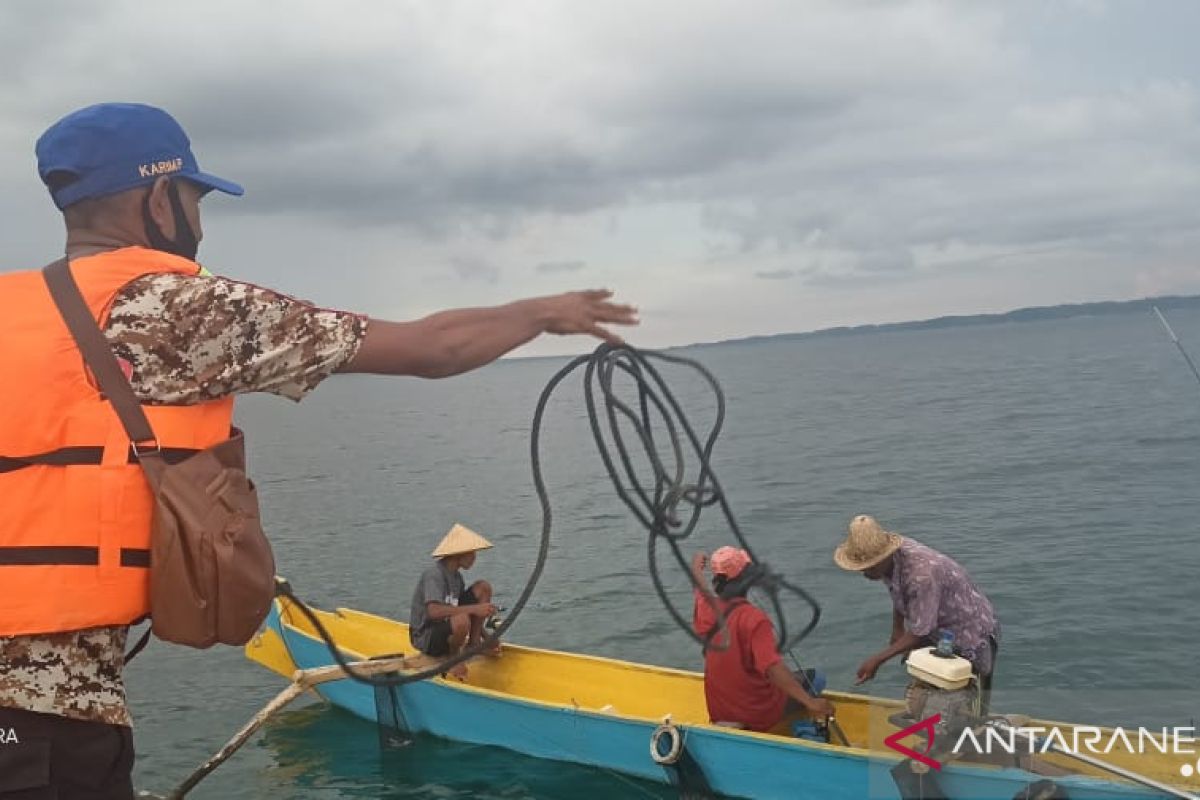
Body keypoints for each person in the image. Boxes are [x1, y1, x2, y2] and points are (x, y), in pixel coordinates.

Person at [0, 102, 638, 800]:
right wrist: (543, 313)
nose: (198, 219)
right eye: (195, 197)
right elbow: (431, 348)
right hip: (44, 715)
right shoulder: (182, 309)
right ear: (159, 199)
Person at [833, 514, 1000, 710]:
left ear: (883, 557)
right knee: (929, 693)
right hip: (938, 626)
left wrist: (878, 659)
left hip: (970, 632)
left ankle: (971, 728)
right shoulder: (893, 559)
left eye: (869, 567)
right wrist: (897, 629)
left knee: (965, 700)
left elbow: (920, 632)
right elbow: (900, 591)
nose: (865, 573)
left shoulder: (922, 575)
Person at [690, 547, 834, 733]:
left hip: (720, 711)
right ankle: (806, 727)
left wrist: (695, 568)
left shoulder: (706, 609)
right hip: (757, 713)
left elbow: (700, 588)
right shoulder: (754, 619)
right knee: (817, 678)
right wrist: (810, 702)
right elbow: (772, 669)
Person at [409, 523, 498, 678]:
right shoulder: (434, 575)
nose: (474, 558)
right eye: (471, 554)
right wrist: (474, 609)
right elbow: (433, 612)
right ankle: (453, 657)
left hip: (448, 626)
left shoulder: (457, 578)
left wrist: (485, 636)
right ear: (458, 554)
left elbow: (458, 607)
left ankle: (474, 643)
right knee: (461, 618)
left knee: (483, 588)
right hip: (427, 636)